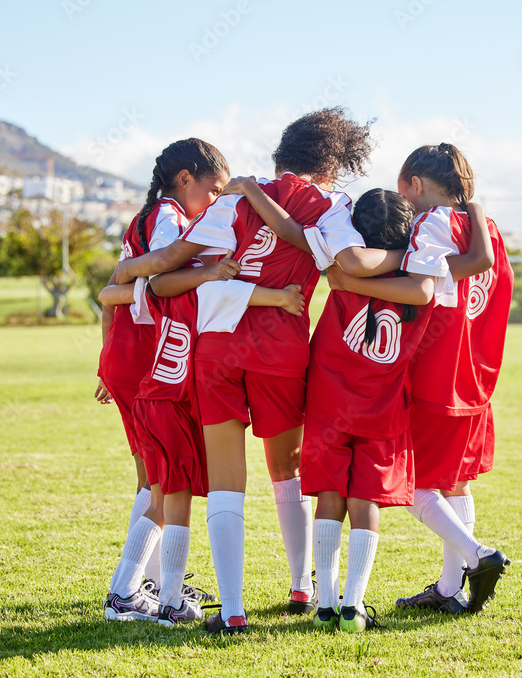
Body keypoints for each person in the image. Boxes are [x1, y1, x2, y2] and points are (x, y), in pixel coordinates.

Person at [110, 107, 403, 635]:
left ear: (282, 153)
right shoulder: (332, 204)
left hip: (216, 350)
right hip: (282, 353)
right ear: (333, 164)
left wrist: (127, 275)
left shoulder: (233, 198)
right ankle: (300, 586)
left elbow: (184, 262)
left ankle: (232, 609)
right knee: (286, 470)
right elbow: (347, 262)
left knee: (226, 482)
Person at [330, 143, 513, 614]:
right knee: (455, 483)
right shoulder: (485, 229)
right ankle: (450, 590)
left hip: (437, 373)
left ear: (414, 185)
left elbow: (421, 287)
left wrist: (352, 281)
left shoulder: (431, 224)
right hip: (476, 374)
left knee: (412, 485)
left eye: (402, 189)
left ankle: (478, 556)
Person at [100, 266, 304, 625]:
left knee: (160, 501)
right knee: (174, 509)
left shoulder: (162, 294)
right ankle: (169, 602)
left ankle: (124, 590)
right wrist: (281, 297)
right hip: (173, 407)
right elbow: (239, 293)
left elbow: (109, 295)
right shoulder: (204, 294)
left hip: (149, 401)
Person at [97, 138, 230, 620]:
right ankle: (139, 589)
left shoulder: (147, 216)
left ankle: (146, 587)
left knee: (155, 479)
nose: (215, 203)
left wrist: (104, 356)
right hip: (147, 360)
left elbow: (111, 294)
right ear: (185, 179)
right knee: (161, 480)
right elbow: (160, 266)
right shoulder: (171, 216)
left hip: (133, 357)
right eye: (212, 191)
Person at [298, 188, 437, 632]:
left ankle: (325, 604)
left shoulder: (341, 268)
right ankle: (354, 607)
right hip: (381, 405)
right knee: (365, 498)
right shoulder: (418, 287)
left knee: (329, 494)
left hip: (328, 399)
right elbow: (431, 285)